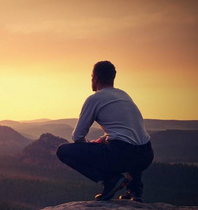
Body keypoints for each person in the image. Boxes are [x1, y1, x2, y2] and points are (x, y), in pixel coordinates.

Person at [56, 61, 154, 202]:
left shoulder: (94, 99)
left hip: (122, 154)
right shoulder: (124, 95)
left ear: (95, 78)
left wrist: (90, 148)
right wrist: (104, 140)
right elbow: (128, 131)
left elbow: (77, 136)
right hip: (146, 155)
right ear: (113, 78)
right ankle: (135, 190)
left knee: (63, 151)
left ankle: (111, 180)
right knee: (133, 145)